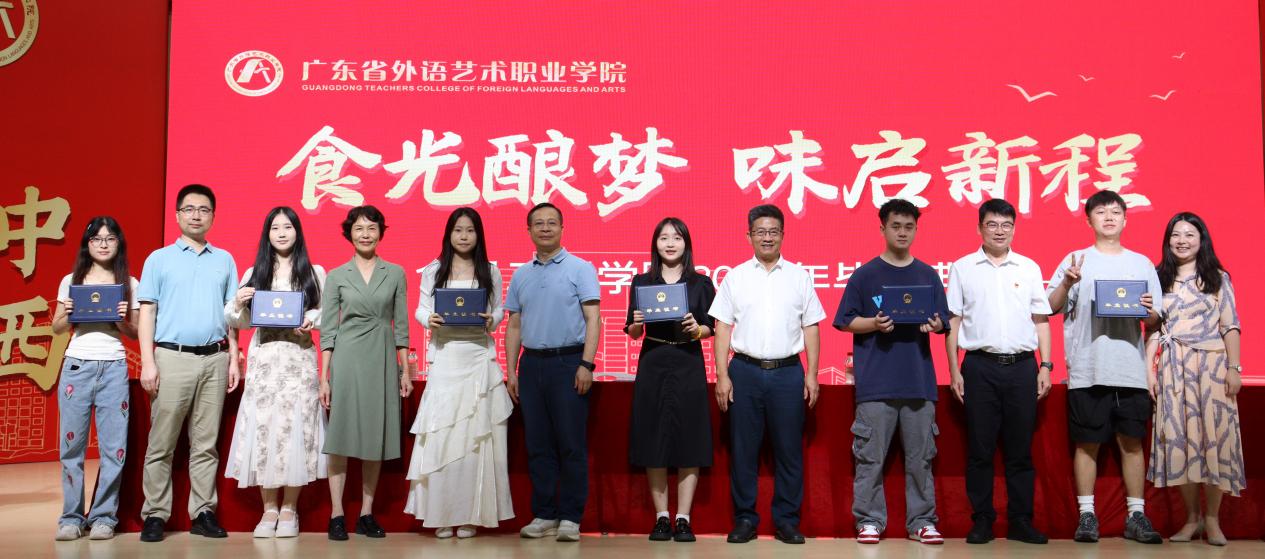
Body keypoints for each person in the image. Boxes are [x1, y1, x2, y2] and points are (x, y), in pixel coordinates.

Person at [1047, 190, 1163, 544]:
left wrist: (1149, 311)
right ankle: (1087, 515)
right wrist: (1068, 281)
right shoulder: (1076, 260)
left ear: (1125, 219)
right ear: (1089, 220)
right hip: (1088, 369)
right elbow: (1050, 306)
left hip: (1130, 369)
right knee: (1087, 444)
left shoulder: (1142, 264)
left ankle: (1136, 515)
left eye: (1115, 211)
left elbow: (1155, 320)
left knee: (1132, 444)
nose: (1109, 217)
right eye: (1101, 212)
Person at [835, 198, 949, 545]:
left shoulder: (928, 274)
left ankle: (922, 522)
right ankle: (869, 521)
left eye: (909, 226)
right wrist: (874, 323)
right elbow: (845, 321)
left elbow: (943, 321)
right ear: (882, 228)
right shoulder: (865, 275)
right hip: (876, 384)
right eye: (896, 226)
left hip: (918, 383)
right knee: (869, 458)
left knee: (921, 459)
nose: (902, 232)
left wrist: (934, 324)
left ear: (916, 229)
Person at [709, 204, 825, 545]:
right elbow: (722, 328)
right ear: (749, 236)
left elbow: (811, 326)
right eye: (760, 232)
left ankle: (787, 520)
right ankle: (745, 519)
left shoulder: (799, 277)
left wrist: (812, 374)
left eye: (773, 231)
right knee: (743, 450)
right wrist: (722, 375)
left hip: (788, 373)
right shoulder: (735, 277)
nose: (767, 237)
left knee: (789, 451)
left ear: (783, 235)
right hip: (744, 371)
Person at [944, 199, 1052, 545]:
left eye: (1006, 225)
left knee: (1020, 451)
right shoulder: (963, 268)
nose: (1000, 231)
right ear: (980, 228)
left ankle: (1021, 520)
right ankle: (982, 520)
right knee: (980, 450)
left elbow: (1041, 320)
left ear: (1014, 228)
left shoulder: (1029, 267)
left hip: (1022, 368)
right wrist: (954, 369)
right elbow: (953, 321)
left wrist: (1046, 365)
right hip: (979, 368)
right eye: (992, 224)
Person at [137, 184, 240, 543]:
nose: (197, 215)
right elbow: (147, 312)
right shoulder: (158, 259)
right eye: (190, 209)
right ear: (178, 214)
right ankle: (155, 514)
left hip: (215, 358)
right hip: (171, 357)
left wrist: (234, 358)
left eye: (204, 209)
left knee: (206, 444)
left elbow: (232, 315)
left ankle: (203, 512)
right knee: (161, 443)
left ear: (213, 216)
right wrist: (148, 361)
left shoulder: (224, 260)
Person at [405, 208, 514, 538]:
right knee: (444, 437)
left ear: (479, 235)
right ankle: (441, 514)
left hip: (479, 358)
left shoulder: (490, 270)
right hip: (446, 359)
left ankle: (470, 515)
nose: (464, 236)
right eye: (458, 230)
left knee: (475, 441)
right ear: (448, 234)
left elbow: (498, 309)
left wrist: (492, 319)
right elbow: (421, 308)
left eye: (470, 230)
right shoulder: (433, 270)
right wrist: (428, 319)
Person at [223, 206, 327, 538]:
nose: (281, 233)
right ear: (267, 234)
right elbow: (237, 321)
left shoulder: (314, 272)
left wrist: (310, 320)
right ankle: (269, 508)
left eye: (288, 227)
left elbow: (327, 313)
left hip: (298, 361)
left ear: (298, 232)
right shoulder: (255, 272)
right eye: (275, 228)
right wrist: (238, 303)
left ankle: (290, 509)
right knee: (265, 429)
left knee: (296, 429)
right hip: (265, 361)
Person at [504, 202, 601, 542]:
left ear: (562, 228)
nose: (545, 228)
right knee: (538, 444)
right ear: (529, 230)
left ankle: (571, 517)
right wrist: (511, 370)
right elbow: (514, 325)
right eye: (538, 224)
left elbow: (593, 319)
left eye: (551, 223)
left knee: (571, 444)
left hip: (568, 363)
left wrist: (586, 364)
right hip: (531, 365)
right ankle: (544, 513)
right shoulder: (520, 274)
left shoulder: (580, 268)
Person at [1145, 212, 1243, 546]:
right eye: (1176, 234)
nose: (1182, 241)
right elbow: (1153, 330)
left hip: (1212, 367)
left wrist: (1234, 368)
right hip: (1173, 368)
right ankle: (1191, 518)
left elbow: (1230, 325)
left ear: (1202, 240)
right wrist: (1149, 372)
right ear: (1168, 240)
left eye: (1189, 234)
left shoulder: (1217, 277)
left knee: (1213, 441)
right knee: (1181, 442)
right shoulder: (1157, 278)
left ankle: (1212, 520)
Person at [319, 205, 412, 540]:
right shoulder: (336, 275)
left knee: (375, 436)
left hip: (382, 358)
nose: (365, 234)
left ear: (380, 233)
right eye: (359, 228)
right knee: (340, 437)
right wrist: (324, 377)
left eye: (372, 228)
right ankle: (337, 514)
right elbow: (328, 331)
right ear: (350, 233)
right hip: (347, 359)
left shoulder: (395, 272)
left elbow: (401, 326)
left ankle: (366, 514)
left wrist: (404, 370)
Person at [624, 217, 716, 543]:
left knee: (689, 436)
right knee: (654, 436)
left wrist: (697, 329)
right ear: (655, 244)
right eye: (664, 238)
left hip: (688, 360)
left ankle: (683, 518)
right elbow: (633, 332)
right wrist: (637, 323)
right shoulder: (642, 281)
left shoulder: (701, 283)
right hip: (653, 359)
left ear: (686, 243)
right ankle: (661, 517)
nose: (670, 243)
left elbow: (712, 327)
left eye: (676, 237)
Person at [50, 217, 139, 541]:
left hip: (113, 365)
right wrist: (69, 311)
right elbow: (57, 327)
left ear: (119, 244)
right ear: (87, 244)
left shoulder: (130, 283)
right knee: (71, 447)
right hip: (77, 365)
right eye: (96, 238)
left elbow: (134, 332)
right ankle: (71, 518)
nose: (103, 244)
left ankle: (103, 517)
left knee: (114, 449)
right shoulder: (71, 280)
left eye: (110, 238)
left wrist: (121, 319)